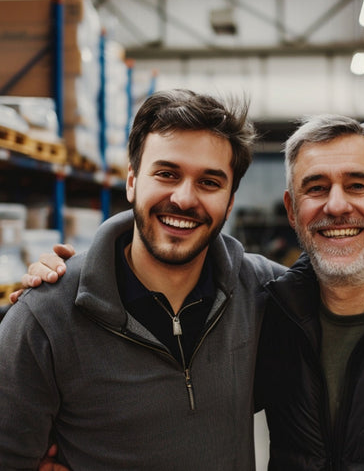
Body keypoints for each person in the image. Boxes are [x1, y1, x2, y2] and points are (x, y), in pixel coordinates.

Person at [12, 114, 364, 469]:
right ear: (290, 210)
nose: (336, 206)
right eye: (315, 188)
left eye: (357, 185)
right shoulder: (278, 308)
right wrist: (59, 283)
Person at [0, 88, 285, 470]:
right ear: (132, 182)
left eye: (209, 182)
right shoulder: (45, 318)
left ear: (230, 201)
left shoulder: (266, 293)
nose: (184, 199)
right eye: (166, 174)